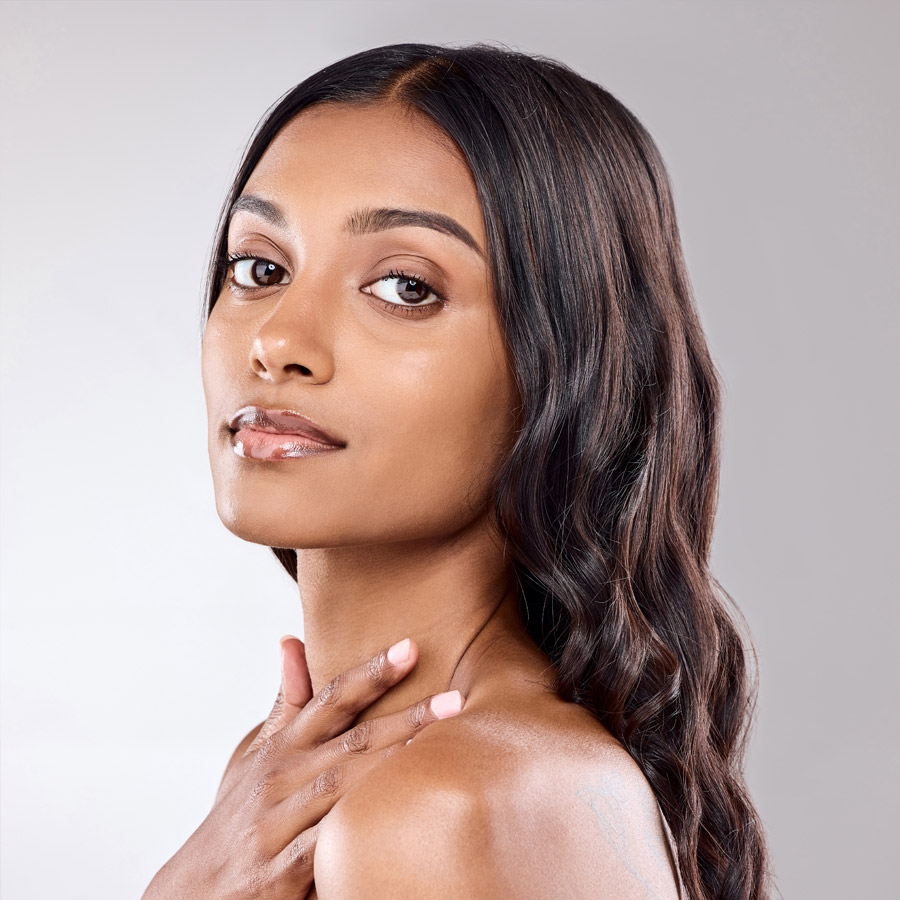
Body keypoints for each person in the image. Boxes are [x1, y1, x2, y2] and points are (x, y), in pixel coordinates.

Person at [143, 42, 771, 900]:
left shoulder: (441, 806)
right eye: (260, 268)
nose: (278, 341)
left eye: (405, 287)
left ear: (559, 369)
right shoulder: (288, 781)